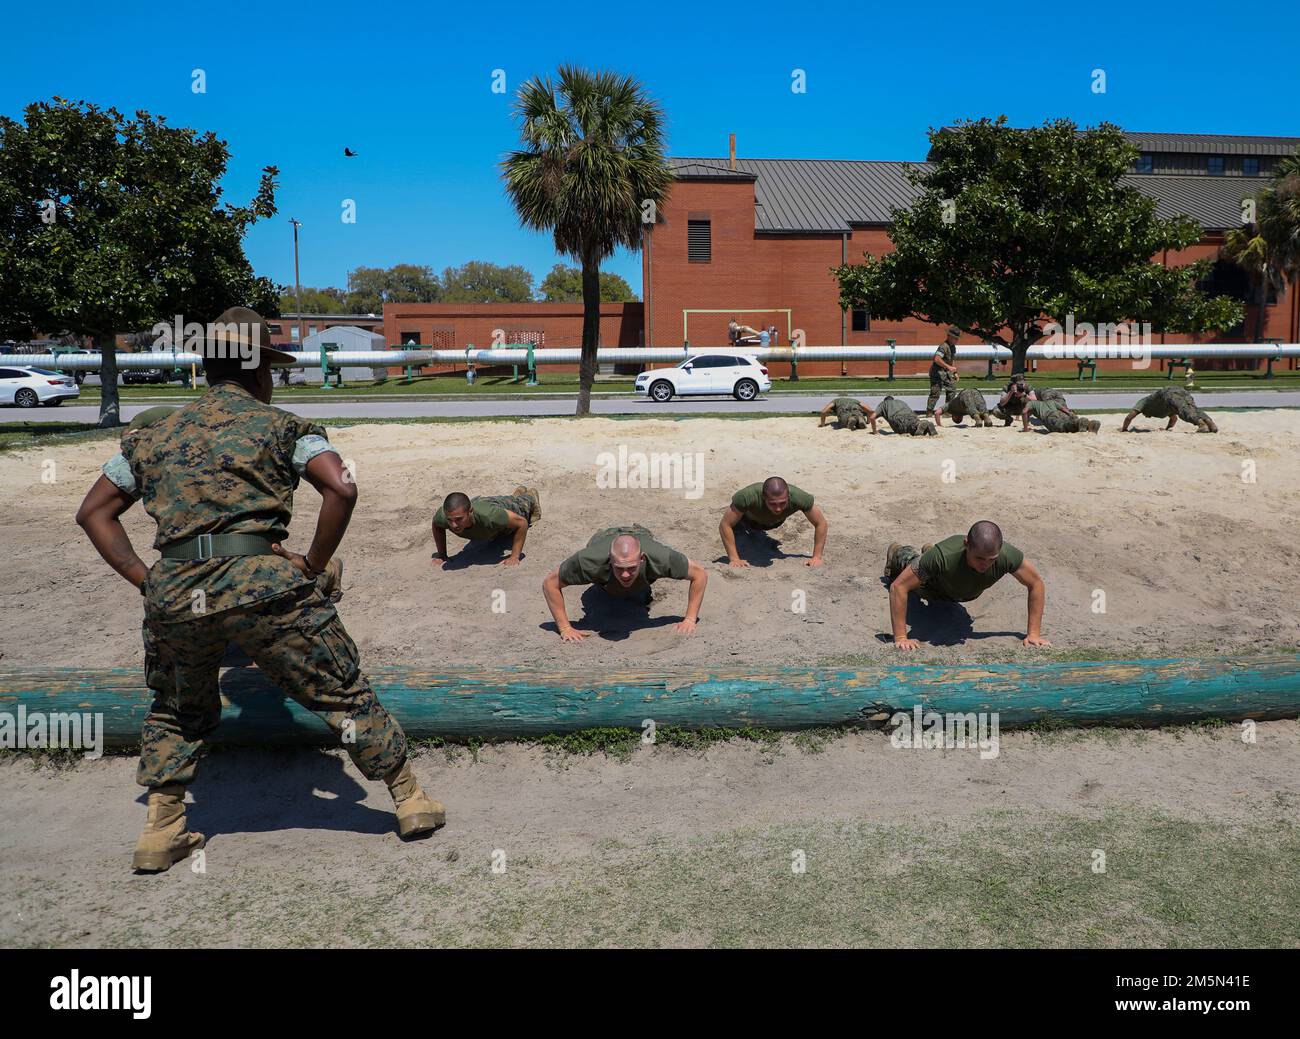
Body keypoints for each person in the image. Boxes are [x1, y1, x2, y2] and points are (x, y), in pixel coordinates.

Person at [75, 307, 443, 873]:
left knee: (175, 707)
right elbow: (341, 489)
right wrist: (313, 565)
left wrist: (148, 580)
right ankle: (410, 799)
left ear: (208, 367)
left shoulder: (151, 433)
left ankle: (161, 830)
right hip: (264, 586)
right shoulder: (283, 428)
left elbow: (93, 512)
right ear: (261, 372)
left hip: (175, 595)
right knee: (339, 693)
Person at [884, 521, 1050, 650]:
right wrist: (900, 638)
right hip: (933, 586)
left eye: (992, 559)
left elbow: (1036, 583)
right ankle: (898, 551)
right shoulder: (944, 557)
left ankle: (928, 553)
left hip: (957, 590)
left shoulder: (1007, 556)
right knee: (911, 565)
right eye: (979, 558)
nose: (985, 564)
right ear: (966, 545)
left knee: (934, 562)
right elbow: (898, 587)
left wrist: (1033, 634)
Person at [541, 525, 707, 641]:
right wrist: (565, 628)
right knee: (610, 587)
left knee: (637, 586)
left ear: (642, 559)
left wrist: (690, 620)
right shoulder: (589, 561)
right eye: (620, 568)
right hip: (602, 539)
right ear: (610, 559)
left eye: (631, 568)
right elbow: (550, 583)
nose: (626, 574)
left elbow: (699, 574)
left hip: (640, 534)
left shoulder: (661, 557)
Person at [720, 476, 828, 567]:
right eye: (773, 503)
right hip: (746, 521)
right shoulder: (746, 496)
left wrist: (816, 557)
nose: (778, 509)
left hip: (774, 523)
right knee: (737, 527)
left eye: (782, 503)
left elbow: (821, 523)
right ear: (763, 497)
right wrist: (734, 559)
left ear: (788, 496)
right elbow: (725, 524)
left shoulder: (799, 497)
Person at [431, 487, 540, 568]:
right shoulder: (444, 516)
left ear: (470, 512)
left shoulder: (489, 515)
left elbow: (522, 523)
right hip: (487, 508)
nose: (454, 525)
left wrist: (514, 556)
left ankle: (528, 496)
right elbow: (437, 525)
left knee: (521, 509)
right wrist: (442, 555)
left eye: (459, 519)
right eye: (450, 520)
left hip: (493, 509)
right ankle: (514, 497)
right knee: (502, 512)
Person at [1122, 386, 1219, 433]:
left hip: (1168, 393)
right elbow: (1173, 418)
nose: (1146, 416)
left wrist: (1124, 429)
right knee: (1192, 408)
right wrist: (1167, 428)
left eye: (1144, 414)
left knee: (1183, 410)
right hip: (1180, 390)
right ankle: (1210, 423)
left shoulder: (1144, 402)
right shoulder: (1163, 408)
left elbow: (1129, 417)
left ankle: (1201, 424)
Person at [926, 327, 961, 415]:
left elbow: (951, 360)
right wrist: (948, 367)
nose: (956, 340)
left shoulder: (952, 347)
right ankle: (929, 411)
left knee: (952, 390)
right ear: (949, 336)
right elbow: (937, 359)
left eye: (957, 338)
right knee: (935, 393)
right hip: (937, 372)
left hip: (946, 372)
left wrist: (954, 372)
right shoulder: (943, 346)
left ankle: (947, 410)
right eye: (955, 338)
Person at [1021, 397, 1100, 433]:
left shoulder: (1031, 403)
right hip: (1059, 413)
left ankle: (1078, 423)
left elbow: (1024, 412)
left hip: (1048, 416)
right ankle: (1088, 424)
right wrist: (1071, 414)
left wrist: (1025, 429)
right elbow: (1064, 409)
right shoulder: (1050, 401)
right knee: (1068, 421)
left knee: (1062, 427)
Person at [874, 395, 938, 436]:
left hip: (897, 417)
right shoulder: (900, 401)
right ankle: (924, 424)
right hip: (912, 415)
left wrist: (873, 430)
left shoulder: (884, 404)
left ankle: (919, 425)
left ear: (885, 400)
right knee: (912, 423)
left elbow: (872, 416)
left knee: (904, 428)